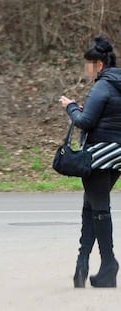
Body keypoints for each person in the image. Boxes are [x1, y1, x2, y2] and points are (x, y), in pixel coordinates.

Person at [59, 35, 121, 288]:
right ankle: (82, 264)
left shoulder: (102, 86)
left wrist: (71, 107)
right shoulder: (117, 84)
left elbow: (85, 122)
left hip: (99, 155)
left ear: (99, 65)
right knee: (92, 207)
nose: (86, 69)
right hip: (117, 155)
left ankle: (109, 264)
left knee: (100, 210)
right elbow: (107, 116)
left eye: (88, 64)